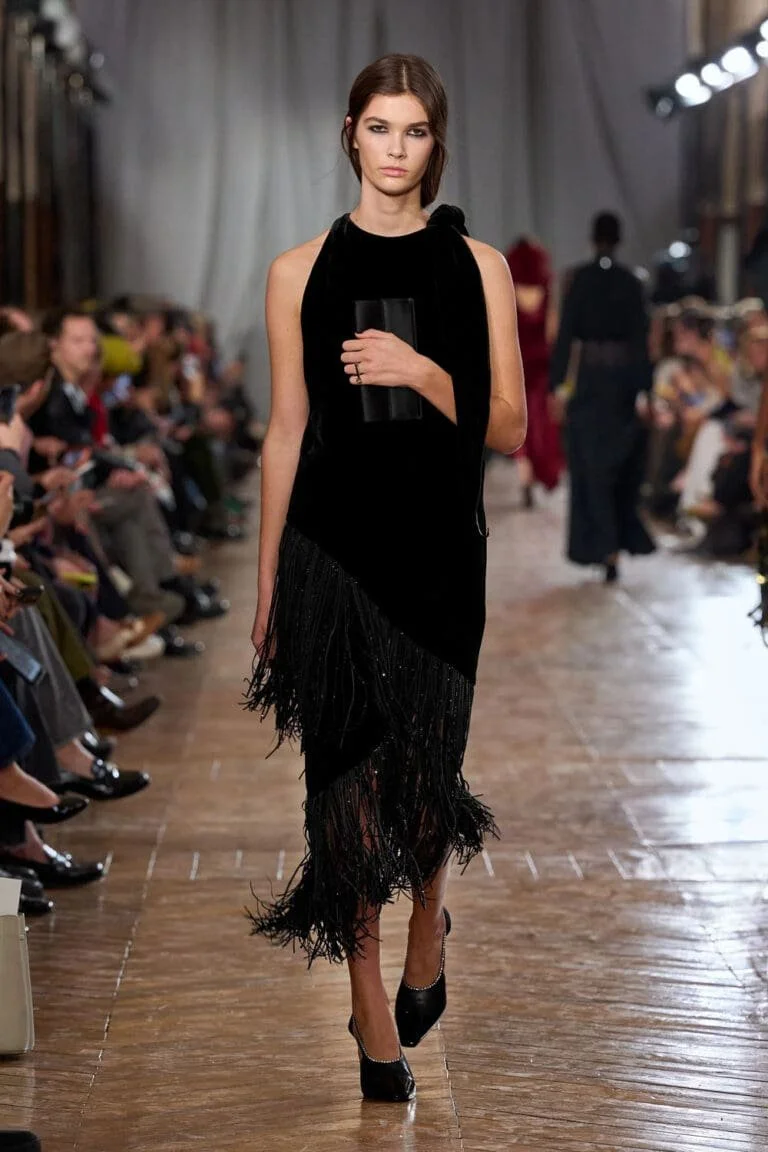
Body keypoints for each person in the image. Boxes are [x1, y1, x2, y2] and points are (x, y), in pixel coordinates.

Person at [246, 53, 526, 1102]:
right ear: (350, 135)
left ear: (434, 143)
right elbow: (286, 431)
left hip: (442, 559)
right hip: (333, 560)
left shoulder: (479, 267)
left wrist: (422, 371)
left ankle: (427, 925)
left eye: (414, 131)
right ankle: (369, 1008)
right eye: (379, 128)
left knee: (425, 784)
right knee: (343, 788)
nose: (395, 149)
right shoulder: (297, 271)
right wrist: (269, 585)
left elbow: (511, 426)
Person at [550, 211, 655, 582]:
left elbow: (566, 335)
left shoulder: (579, 279)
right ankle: (613, 546)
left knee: (591, 466)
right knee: (617, 466)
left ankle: (604, 545)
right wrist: (645, 389)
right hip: (623, 386)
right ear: (619, 238)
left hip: (591, 384)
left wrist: (556, 385)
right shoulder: (631, 281)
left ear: (593, 238)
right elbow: (641, 339)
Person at [505, 237, 563, 505]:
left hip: (515, 364)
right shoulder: (545, 291)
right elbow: (552, 331)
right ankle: (536, 474)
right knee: (539, 424)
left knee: (517, 425)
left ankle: (524, 477)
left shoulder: (509, 289)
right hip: (541, 366)